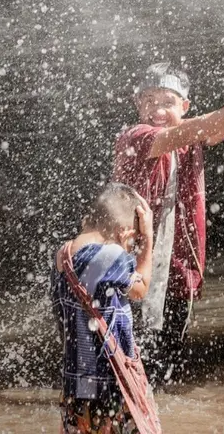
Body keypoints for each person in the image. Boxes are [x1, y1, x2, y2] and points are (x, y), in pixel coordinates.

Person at [112, 50, 224, 384]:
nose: (157, 111)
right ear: (137, 105)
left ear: (184, 107)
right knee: (130, 368)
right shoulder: (136, 137)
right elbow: (205, 126)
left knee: (168, 368)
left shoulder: (189, 135)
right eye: (149, 101)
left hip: (179, 273)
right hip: (133, 274)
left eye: (167, 102)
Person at [52, 182, 155, 433]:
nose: (130, 250)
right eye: (132, 242)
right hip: (109, 386)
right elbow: (141, 289)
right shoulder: (110, 256)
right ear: (124, 232)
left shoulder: (62, 254)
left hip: (75, 388)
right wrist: (149, 239)